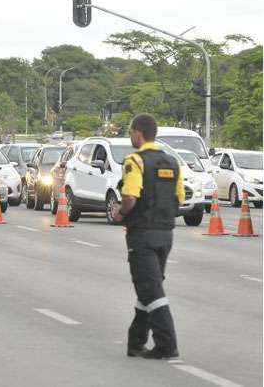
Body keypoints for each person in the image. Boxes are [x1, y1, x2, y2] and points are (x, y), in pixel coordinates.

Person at [111, 114, 184, 360]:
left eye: (131, 132)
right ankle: (136, 342)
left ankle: (167, 345)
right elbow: (180, 199)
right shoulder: (172, 162)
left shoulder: (135, 161)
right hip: (166, 234)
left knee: (151, 291)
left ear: (138, 133)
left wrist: (119, 213)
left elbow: (130, 197)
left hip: (142, 235)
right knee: (149, 287)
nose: (130, 136)